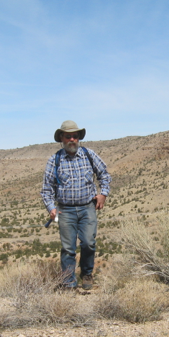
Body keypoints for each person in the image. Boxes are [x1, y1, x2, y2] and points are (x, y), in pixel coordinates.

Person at [41, 120, 111, 290]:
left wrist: (103, 194)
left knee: (88, 243)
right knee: (67, 249)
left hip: (88, 207)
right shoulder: (54, 160)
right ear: (62, 139)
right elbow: (46, 189)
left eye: (75, 136)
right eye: (68, 136)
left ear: (79, 138)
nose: (72, 139)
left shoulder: (89, 155)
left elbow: (104, 174)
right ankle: (68, 283)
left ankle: (87, 274)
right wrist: (51, 208)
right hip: (65, 211)